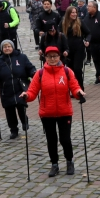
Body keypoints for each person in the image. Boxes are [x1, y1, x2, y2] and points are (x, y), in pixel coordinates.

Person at [23, 46, 86, 176]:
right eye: (49, 56)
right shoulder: (40, 74)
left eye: (55, 56)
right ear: (45, 58)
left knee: (65, 139)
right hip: (47, 113)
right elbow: (32, 91)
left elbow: (74, 86)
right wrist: (26, 96)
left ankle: (69, 161)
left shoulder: (67, 71)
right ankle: (54, 164)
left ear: (59, 57)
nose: (52, 59)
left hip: (64, 112)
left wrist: (79, 93)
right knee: (51, 140)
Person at [0, 39, 35, 139]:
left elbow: (30, 67)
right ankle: (13, 130)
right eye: (4, 47)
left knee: (21, 105)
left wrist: (33, 73)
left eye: (9, 46)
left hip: (20, 87)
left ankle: (24, 120)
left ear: (13, 47)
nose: (7, 48)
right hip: (6, 89)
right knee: (9, 111)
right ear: (2, 49)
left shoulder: (22, 57)